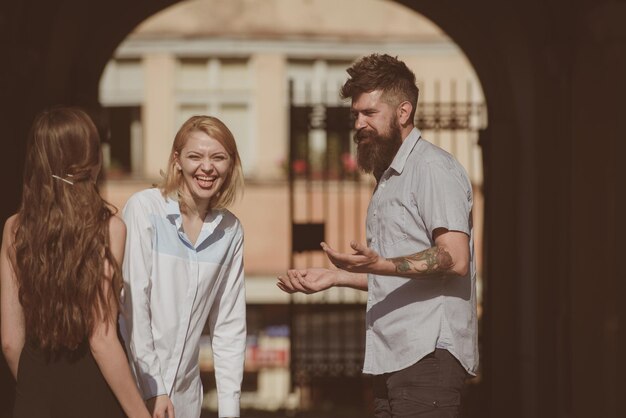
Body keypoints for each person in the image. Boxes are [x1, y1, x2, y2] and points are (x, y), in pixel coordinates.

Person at [277, 54, 478, 417]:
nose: (359, 123)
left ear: (403, 112)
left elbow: (454, 257)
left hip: (428, 356)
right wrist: (337, 277)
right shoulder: (388, 179)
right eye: (355, 114)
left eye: (369, 113)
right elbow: (399, 274)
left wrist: (381, 262)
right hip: (392, 358)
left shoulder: (431, 168)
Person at [0, 106, 151, 418]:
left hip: (33, 402)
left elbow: (10, 342)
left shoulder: (14, 229)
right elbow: (102, 337)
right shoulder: (108, 229)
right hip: (94, 399)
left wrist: (37, 391)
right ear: (92, 159)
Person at [119, 115, 246, 418]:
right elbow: (133, 304)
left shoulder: (230, 231)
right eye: (195, 156)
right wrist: (154, 389)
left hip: (186, 401)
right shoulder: (144, 209)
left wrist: (230, 411)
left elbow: (228, 327)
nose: (207, 167)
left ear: (230, 165)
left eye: (218, 157)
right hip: (133, 391)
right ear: (177, 160)